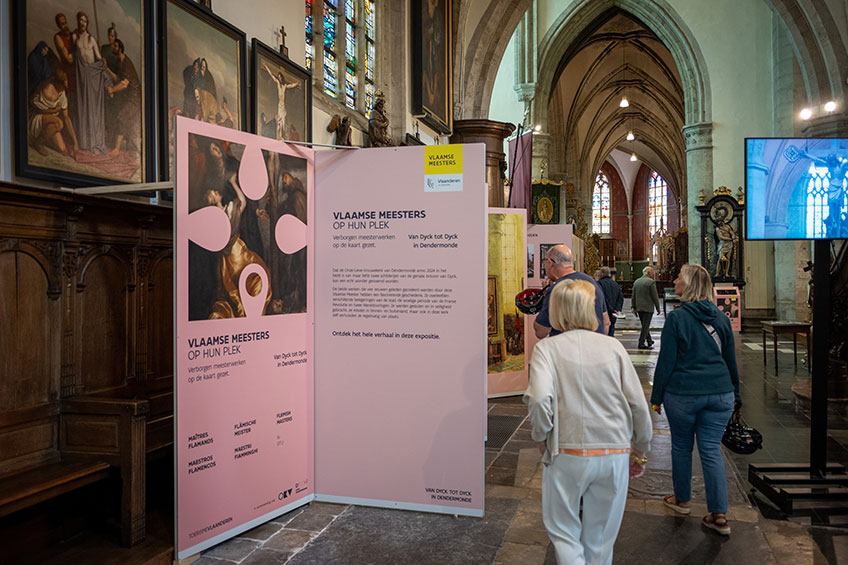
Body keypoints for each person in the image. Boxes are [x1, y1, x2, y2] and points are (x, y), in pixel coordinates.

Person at [524, 279, 652, 564]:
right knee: (601, 539)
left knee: (564, 533)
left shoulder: (548, 349)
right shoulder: (613, 347)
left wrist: (542, 436)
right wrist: (641, 450)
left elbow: (539, 399)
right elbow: (638, 405)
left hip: (567, 450)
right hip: (614, 450)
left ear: (556, 310)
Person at [650, 264, 741, 536]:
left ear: (688, 285)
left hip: (684, 393)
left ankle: (682, 501)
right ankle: (719, 514)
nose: (675, 280)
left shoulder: (677, 319)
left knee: (681, 446)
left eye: (679, 277)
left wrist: (656, 397)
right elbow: (730, 361)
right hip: (721, 393)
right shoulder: (721, 318)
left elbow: (666, 362)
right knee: (711, 450)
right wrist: (736, 395)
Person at [205, 143, 271, 319]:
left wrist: (255, 211)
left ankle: (250, 305)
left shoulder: (234, 167)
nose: (215, 153)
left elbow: (244, 200)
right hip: (229, 246)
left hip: (239, 234)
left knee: (252, 268)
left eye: (216, 149)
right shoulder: (212, 177)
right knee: (230, 278)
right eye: (212, 150)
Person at [534, 245, 609, 338]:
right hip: (594, 344)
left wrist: (545, 299)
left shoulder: (557, 289)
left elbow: (541, 332)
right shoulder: (592, 283)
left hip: (565, 345)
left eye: (544, 262)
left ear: (550, 262)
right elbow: (606, 322)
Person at [72, 11, 112, 154]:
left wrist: (102, 61)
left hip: (93, 74)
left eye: (85, 21)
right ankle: (85, 142)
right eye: (80, 20)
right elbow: (74, 56)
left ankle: (95, 142)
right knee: (84, 107)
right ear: (78, 21)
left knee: (94, 109)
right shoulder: (74, 37)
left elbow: (99, 58)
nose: (82, 23)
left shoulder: (91, 39)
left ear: (87, 23)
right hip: (82, 74)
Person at [28, 69, 78, 157]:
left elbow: (66, 118)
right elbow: (38, 110)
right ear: (56, 82)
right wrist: (54, 110)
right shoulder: (46, 88)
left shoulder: (62, 93)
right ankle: (37, 142)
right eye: (62, 85)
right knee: (59, 123)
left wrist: (75, 142)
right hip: (37, 119)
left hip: (51, 123)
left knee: (62, 148)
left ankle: (44, 138)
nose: (63, 88)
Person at [105, 39, 140, 156]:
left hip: (134, 97)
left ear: (120, 48)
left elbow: (124, 84)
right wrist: (107, 68)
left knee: (122, 117)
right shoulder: (120, 62)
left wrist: (112, 90)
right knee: (119, 116)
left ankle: (117, 149)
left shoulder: (126, 63)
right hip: (127, 97)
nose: (112, 47)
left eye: (115, 46)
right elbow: (117, 79)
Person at [263, 62, 299, 140]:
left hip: (283, 106)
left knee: (283, 121)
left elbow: (291, 85)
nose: (279, 79)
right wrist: (266, 67)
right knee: (279, 121)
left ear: (282, 78)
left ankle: (282, 135)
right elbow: (272, 75)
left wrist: (297, 83)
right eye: (278, 77)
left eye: (280, 77)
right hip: (280, 105)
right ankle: (279, 135)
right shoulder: (278, 84)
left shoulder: (285, 86)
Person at [632, 266, 660, 349]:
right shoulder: (651, 282)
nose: (652, 275)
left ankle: (649, 340)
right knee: (645, 326)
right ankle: (641, 343)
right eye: (652, 273)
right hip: (648, 308)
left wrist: (633, 306)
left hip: (639, 307)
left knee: (645, 325)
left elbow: (633, 296)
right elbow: (655, 296)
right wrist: (658, 307)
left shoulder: (637, 281)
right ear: (649, 273)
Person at [597, 266, 624, 337]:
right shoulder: (615, 284)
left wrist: (609, 309)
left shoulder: (599, 284)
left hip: (603, 312)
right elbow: (620, 298)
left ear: (601, 274)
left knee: (603, 333)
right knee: (611, 331)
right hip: (613, 313)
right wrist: (617, 309)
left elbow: (601, 298)